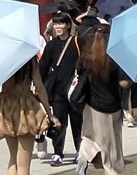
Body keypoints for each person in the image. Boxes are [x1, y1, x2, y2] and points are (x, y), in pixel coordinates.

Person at [69, 21, 128, 175]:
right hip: (112, 106)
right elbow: (124, 83)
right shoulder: (116, 56)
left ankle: (82, 157)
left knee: (90, 136)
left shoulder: (87, 56)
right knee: (111, 145)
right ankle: (113, 171)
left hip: (91, 105)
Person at [0, 57, 53, 175]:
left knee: (13, 159)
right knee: (24, 165)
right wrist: (49, 113)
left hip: (6, 105)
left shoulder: (2, 58)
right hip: (26, 106)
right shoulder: (28, 58)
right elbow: (39, 87)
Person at [38, 14, 79, 166]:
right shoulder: (51, 45)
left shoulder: (77, 43)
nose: (58, 27)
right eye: (55, 24)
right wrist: (39, 85)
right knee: (58, 123)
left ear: (68, 25)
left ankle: (80, 150)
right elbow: (43, 67)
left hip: (75, 91)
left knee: (77, 122)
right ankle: (58, 153)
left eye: (61, 24)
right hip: (57, 91)